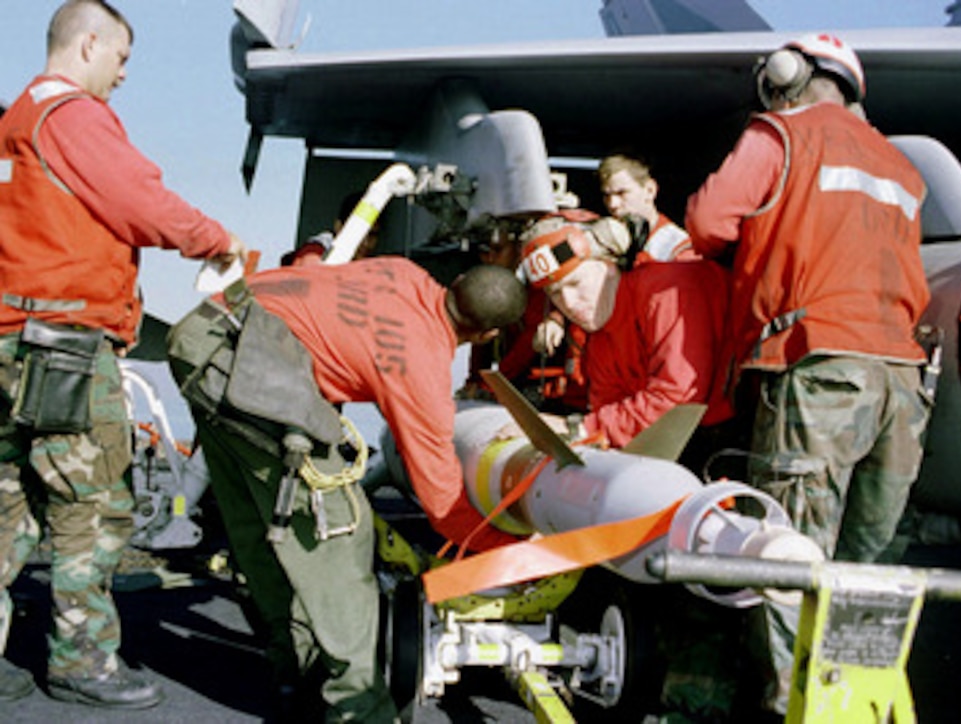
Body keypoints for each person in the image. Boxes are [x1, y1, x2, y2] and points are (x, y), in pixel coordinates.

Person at [0, 0, 246, 710]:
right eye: (122, 58)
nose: (124, 74)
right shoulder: (71, 115)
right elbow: (137, 198)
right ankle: (82, 662)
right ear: (89, 45)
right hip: (67, 350)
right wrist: (213, 239)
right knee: (94, 505)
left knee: (9, 504)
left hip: (11, 342)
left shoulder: (14, 122)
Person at [685, 33, 932, 717]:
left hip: (819, 367)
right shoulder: (902, 163)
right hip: (904, 379)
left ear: (787, 76)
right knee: (864, 566)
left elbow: (707, 223)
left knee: (790, 556)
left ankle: (789, 707)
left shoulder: (781, 133)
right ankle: (854, 700)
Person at [167, 258, 527, 721]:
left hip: (208, 335)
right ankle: (360, 710)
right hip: (246, 365)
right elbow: (441, 502)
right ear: (486, 336)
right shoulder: (421, 366)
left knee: (264, 523)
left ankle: (294, 671)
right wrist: (508, 547)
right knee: (341, 533)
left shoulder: (403, 271)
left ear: (455, 280)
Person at [515, 215, 734, 473]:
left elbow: (678, 400)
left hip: (734, 430)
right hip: (693, 435)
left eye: (575, 284)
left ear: (608, 266)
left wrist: (579, 429)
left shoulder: (667, 291)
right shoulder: (600, 330)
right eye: (555, 295)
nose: (570, 304)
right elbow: (608, 408)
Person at [598, 153, 698, 265]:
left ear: (649, 190)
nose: (613, 204)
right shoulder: (600, 243)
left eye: (622, 193)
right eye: (606, 195)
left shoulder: (678, 247)